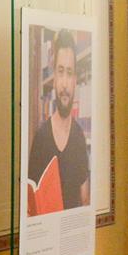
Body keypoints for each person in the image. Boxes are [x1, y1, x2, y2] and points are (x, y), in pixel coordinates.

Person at [27, 28, 90, 213]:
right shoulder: (41, 138)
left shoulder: (79, 137)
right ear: (53, 78)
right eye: (60, 72)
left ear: (75, 80)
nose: (64, 83)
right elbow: (31, 206)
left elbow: (85, 199)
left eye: (69, 73)